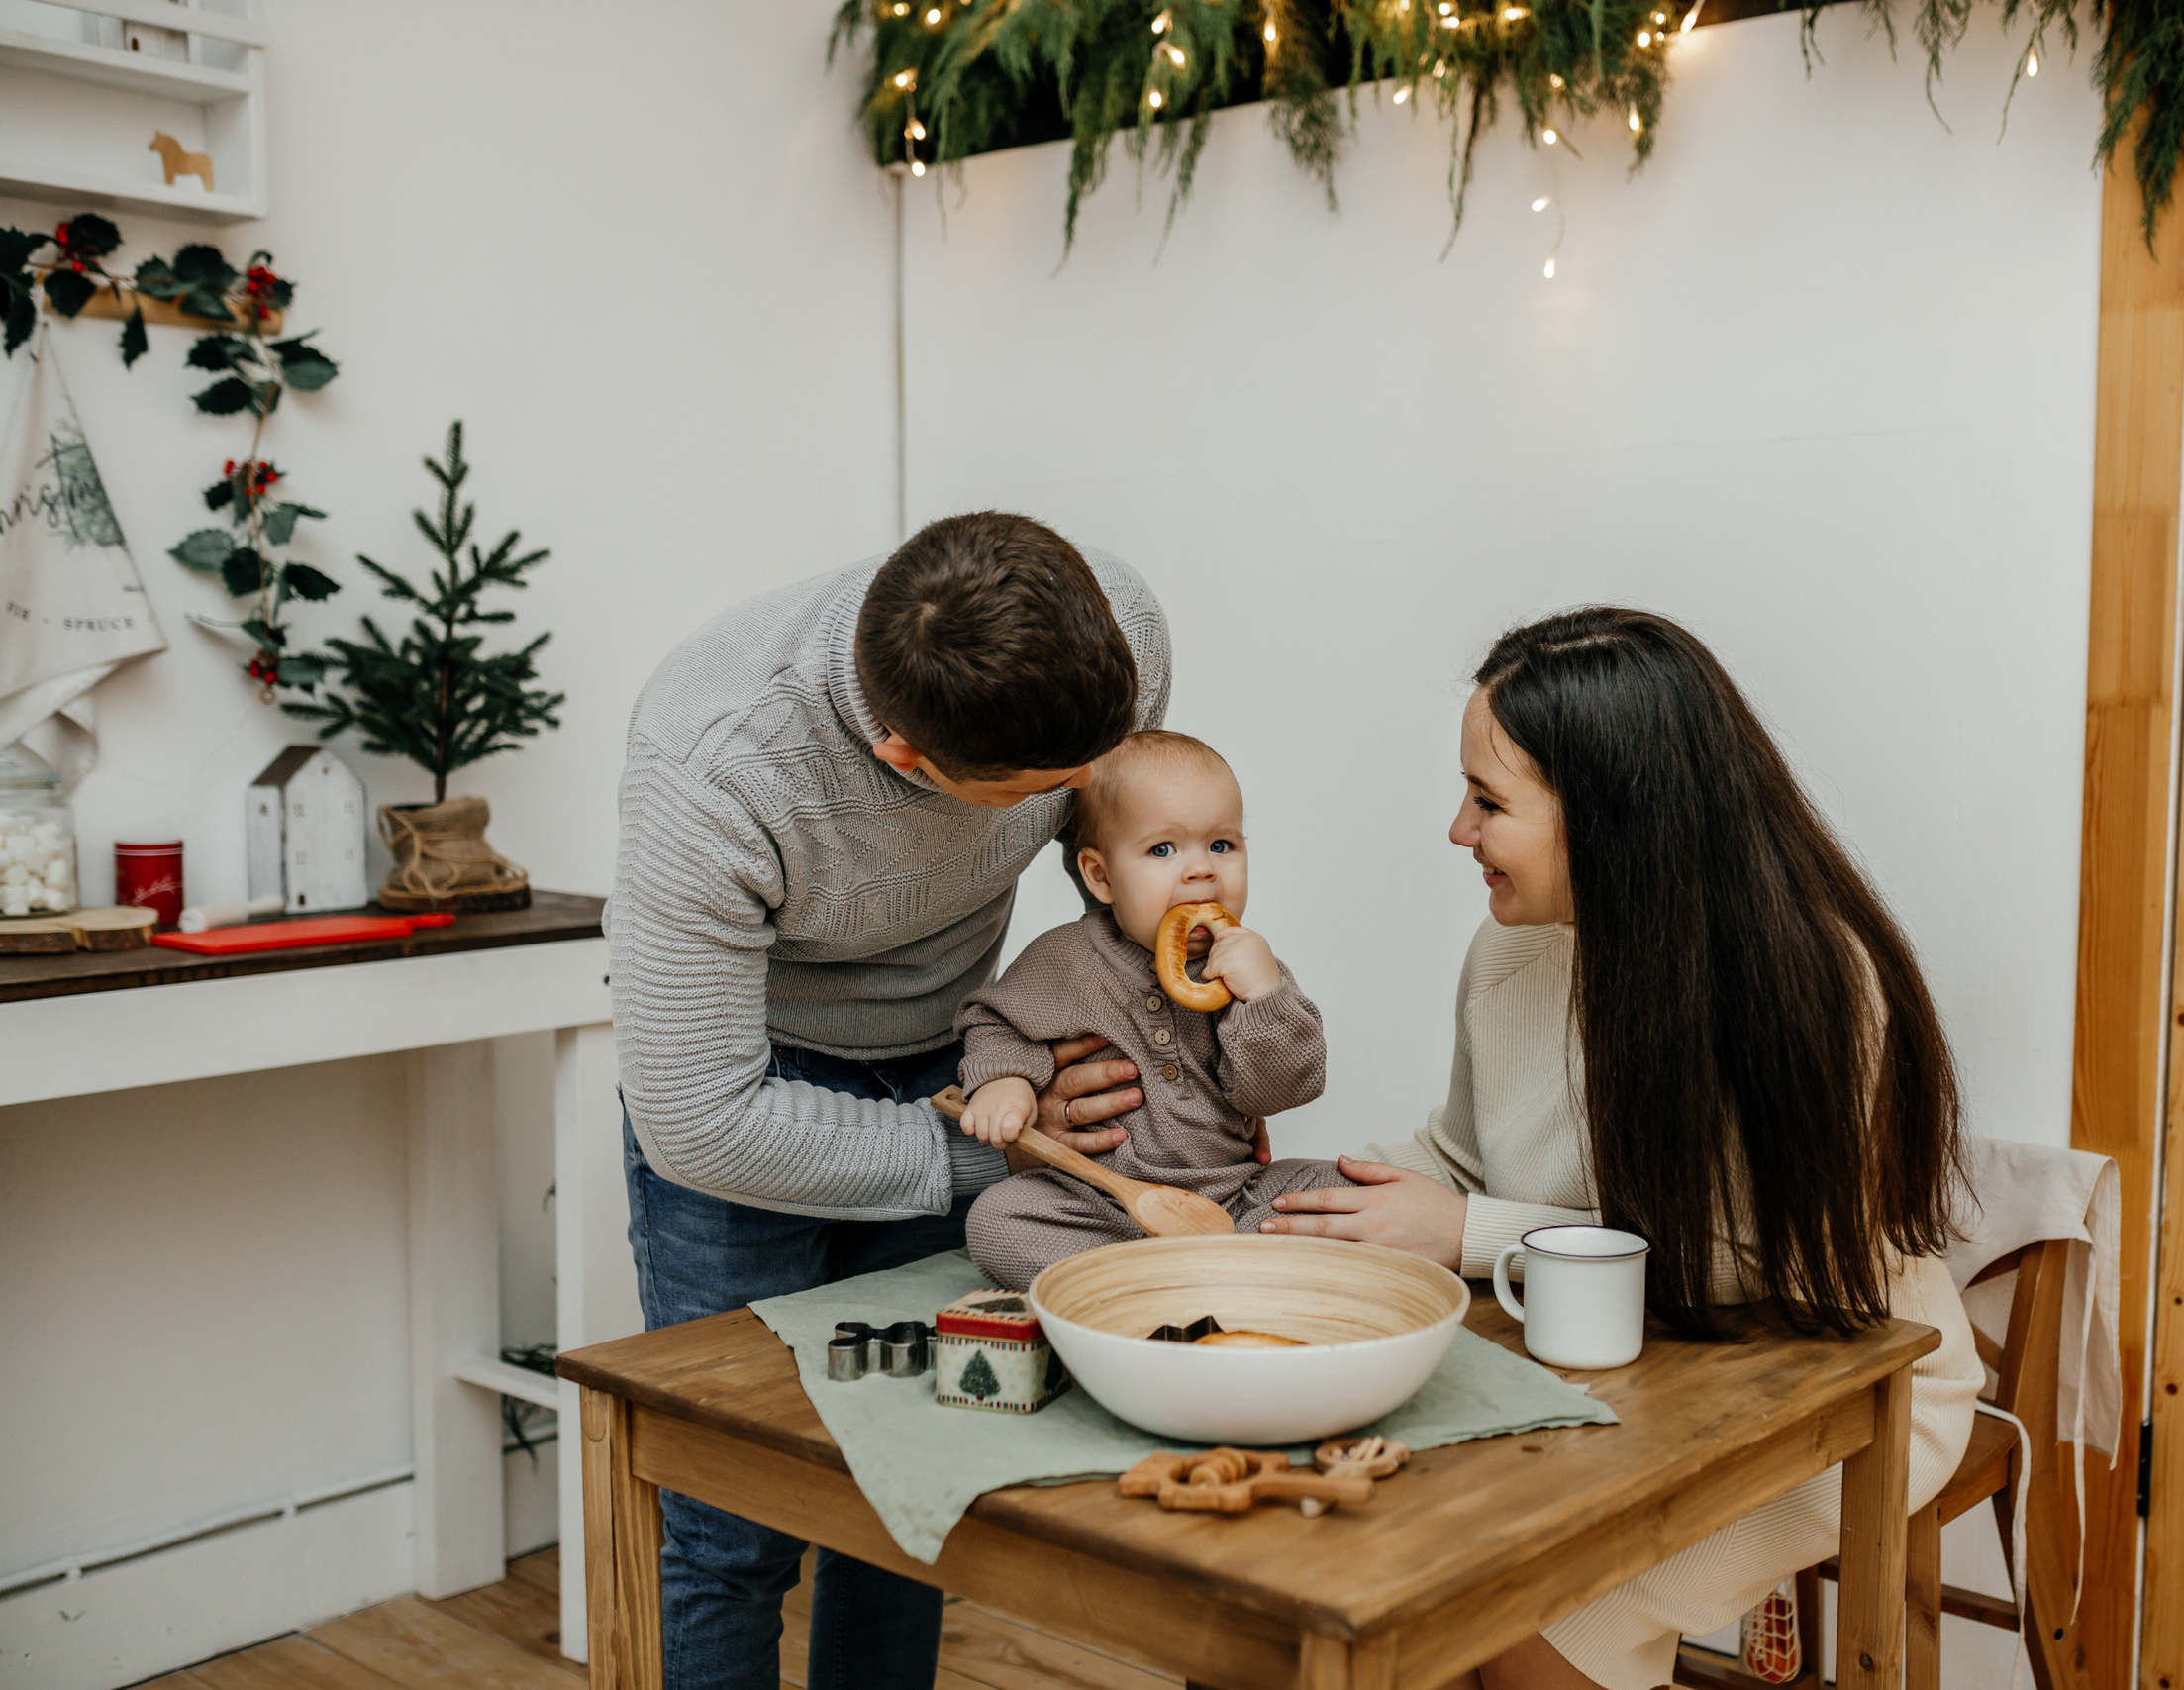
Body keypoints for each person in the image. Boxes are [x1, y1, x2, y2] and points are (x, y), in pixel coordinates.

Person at [1259, 607, 1983, 1690]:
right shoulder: (1509, 950)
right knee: (1359, 1587)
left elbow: (1762, 1261)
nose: (1459, 830)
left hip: (1828, 1389)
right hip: (1607, 1373)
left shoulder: (1812, 987)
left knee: (1517, 1622)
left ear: (1607, 817)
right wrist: (1296, 1205)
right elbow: (1458, 1150)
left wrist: (1465, 1235)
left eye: (1489, 801)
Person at [607, 512, 1167, 1690]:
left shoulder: (1122, 633)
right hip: (752, 1097)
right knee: (730, 1530)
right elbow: (700, 1120)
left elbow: (1122, 866)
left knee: (913, 1489)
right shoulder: (712, 764)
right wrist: (995, 1153)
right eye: (1045, 793)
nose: (1079, 800)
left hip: (964, 1063)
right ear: (909, 758)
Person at [956, 729, 1337, 1289]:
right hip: (1099, 1201)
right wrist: (1005, 1081)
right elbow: (995, 1021)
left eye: (1222, 845)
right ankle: (1180, 1282)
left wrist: (1264, 998)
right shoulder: (1065, 960)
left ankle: (1169, 1280)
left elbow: (1282, 1092)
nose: (1201, 870)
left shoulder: (1251, 970)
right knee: (997, 1221)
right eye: (1163, 850)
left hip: (1233, 1195)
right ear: (1101, 876)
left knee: (1341, 1188)